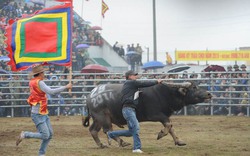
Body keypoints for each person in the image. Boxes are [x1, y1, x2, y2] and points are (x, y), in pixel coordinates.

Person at [16, 64, 72, 156]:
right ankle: (25, 134)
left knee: (49, 135)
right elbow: (51, 91)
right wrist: (66, 87)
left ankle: (41, 153)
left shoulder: (32, 82)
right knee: (46, 135)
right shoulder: (40, 82)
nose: (44, 74)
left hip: (41, 112)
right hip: (39, 113)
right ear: (40, 73)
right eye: (43, 72)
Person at [107, 70, 162, 153]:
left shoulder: (129, 85)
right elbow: (144, 84)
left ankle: (111, 134)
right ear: (129, 76)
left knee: (130, 132)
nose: (136, 76)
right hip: (129, 110)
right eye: (134, 75)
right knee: (136, 129)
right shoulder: (131, 83)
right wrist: (156, 81)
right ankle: (136, 148)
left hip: (129, 110)